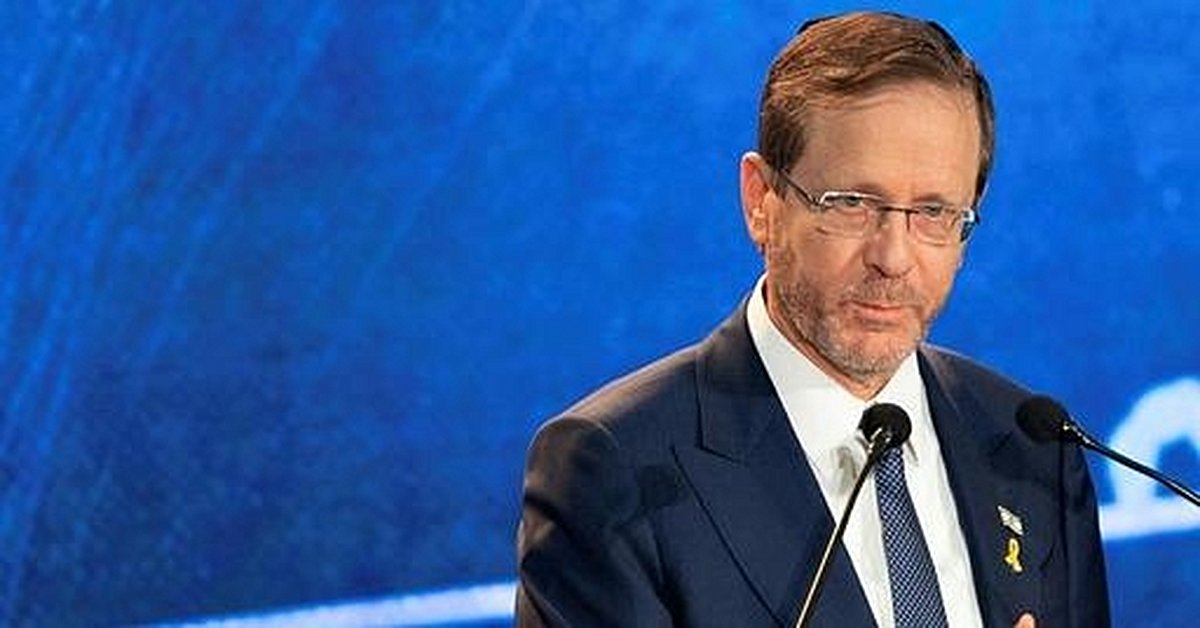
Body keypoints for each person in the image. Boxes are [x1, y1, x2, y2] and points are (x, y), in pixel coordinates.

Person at [515, 11, 1109, 628]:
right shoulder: (616, 467)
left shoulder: (1031, 447)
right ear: (761, 201)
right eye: (851, 203)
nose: (893, 257)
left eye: (934, 212)